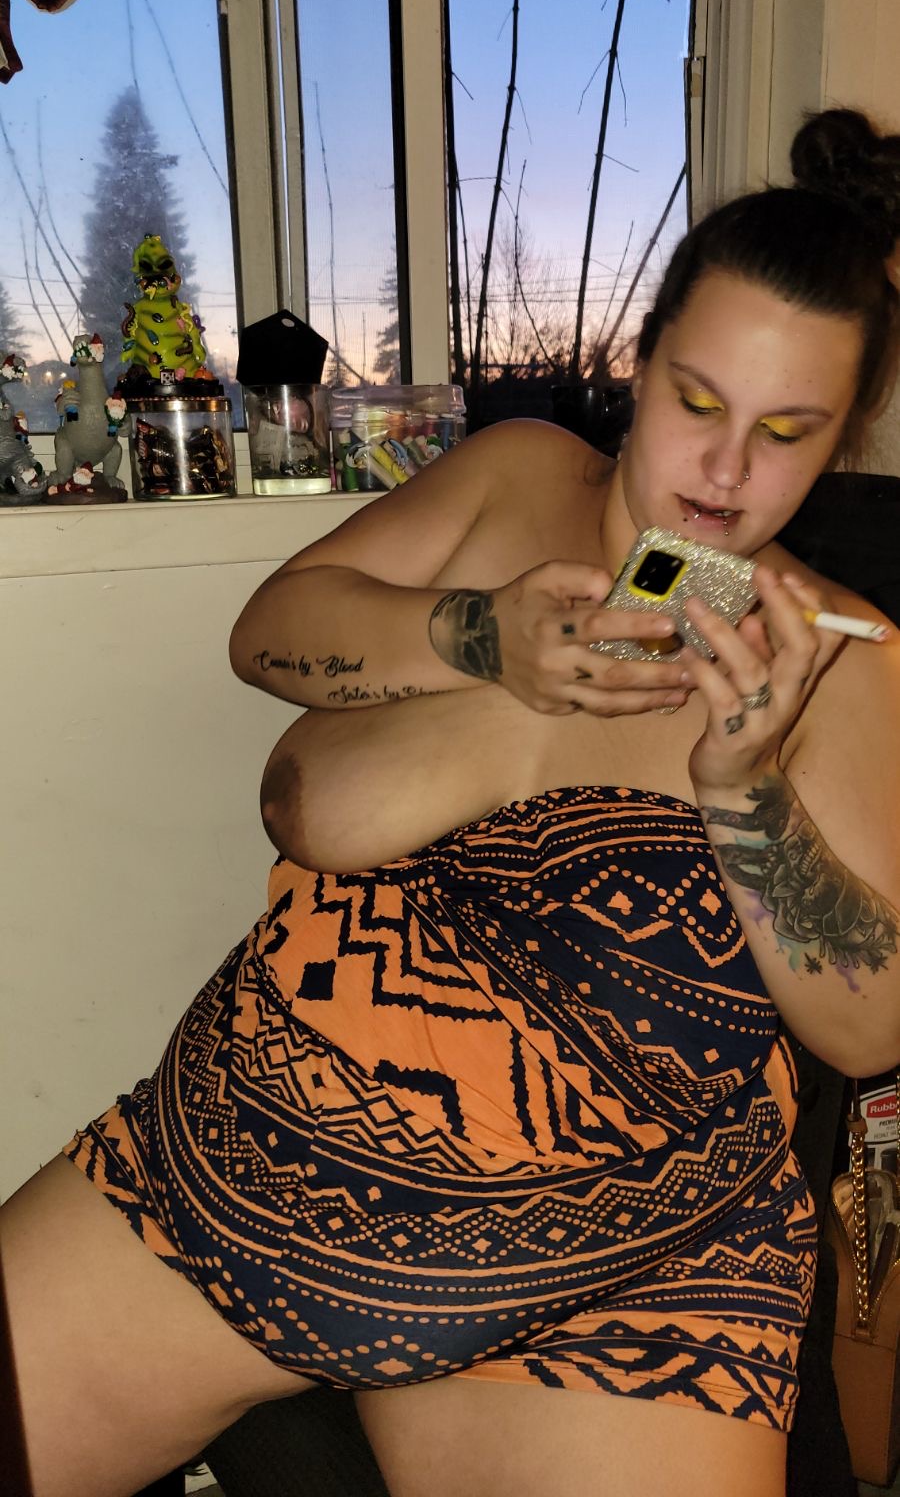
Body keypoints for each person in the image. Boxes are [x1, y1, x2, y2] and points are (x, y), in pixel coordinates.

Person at [3, 108, 900, 1497]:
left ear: (841, 439)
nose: (726, 475)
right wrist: (480, 638)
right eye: (697, 402)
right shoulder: (520, 474)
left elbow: (871, 1022)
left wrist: (748, 793)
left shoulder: (849, 658)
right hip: (263, 1149)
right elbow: (268, 636)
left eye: (788, 433)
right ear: (641, 365)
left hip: (632, 1265)